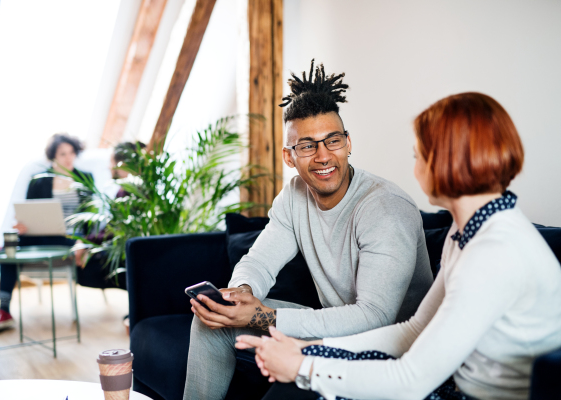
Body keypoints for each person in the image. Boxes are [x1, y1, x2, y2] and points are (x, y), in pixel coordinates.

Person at [236, 92, 561, 400]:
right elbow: (416, 329)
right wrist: (309, 350)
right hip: (450, 383)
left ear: (448, 162)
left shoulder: (494, 253)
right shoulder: (466, 232)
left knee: (294, 387)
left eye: (419, 155)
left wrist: (303, 366)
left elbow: (411, 380)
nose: (415, 166)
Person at [183, 60, 433, 399]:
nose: (322, 155)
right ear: (289, 157)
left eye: (332, 141)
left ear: (348, 143)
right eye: (307, 145)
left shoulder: (384, 208)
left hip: (390, 347)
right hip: (333, 328)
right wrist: (242, 290)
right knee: (214, 322)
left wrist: (264, 316)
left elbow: (375, 317)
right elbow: (260, 261)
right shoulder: (294, 197)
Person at [0, 133, 93, 333]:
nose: (68, 157)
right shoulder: (38, 180)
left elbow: (91, 217)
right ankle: (4, 310)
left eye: (71, 152)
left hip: (70, 241)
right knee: (8, 251)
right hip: (39, 236)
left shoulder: (86, 179)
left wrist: (84, 242)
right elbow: (29, 212)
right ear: (53, 156)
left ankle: (3, 310)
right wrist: (22, 225)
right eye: (62, 154)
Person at [73, 141, 146, 290]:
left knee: (86, 270)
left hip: (132, 253)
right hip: (134, 249)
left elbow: (117, 228)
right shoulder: (139, 186)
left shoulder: (129, 190)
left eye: (111, 161)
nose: (109, 166)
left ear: (122, 163)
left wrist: (85, 243)